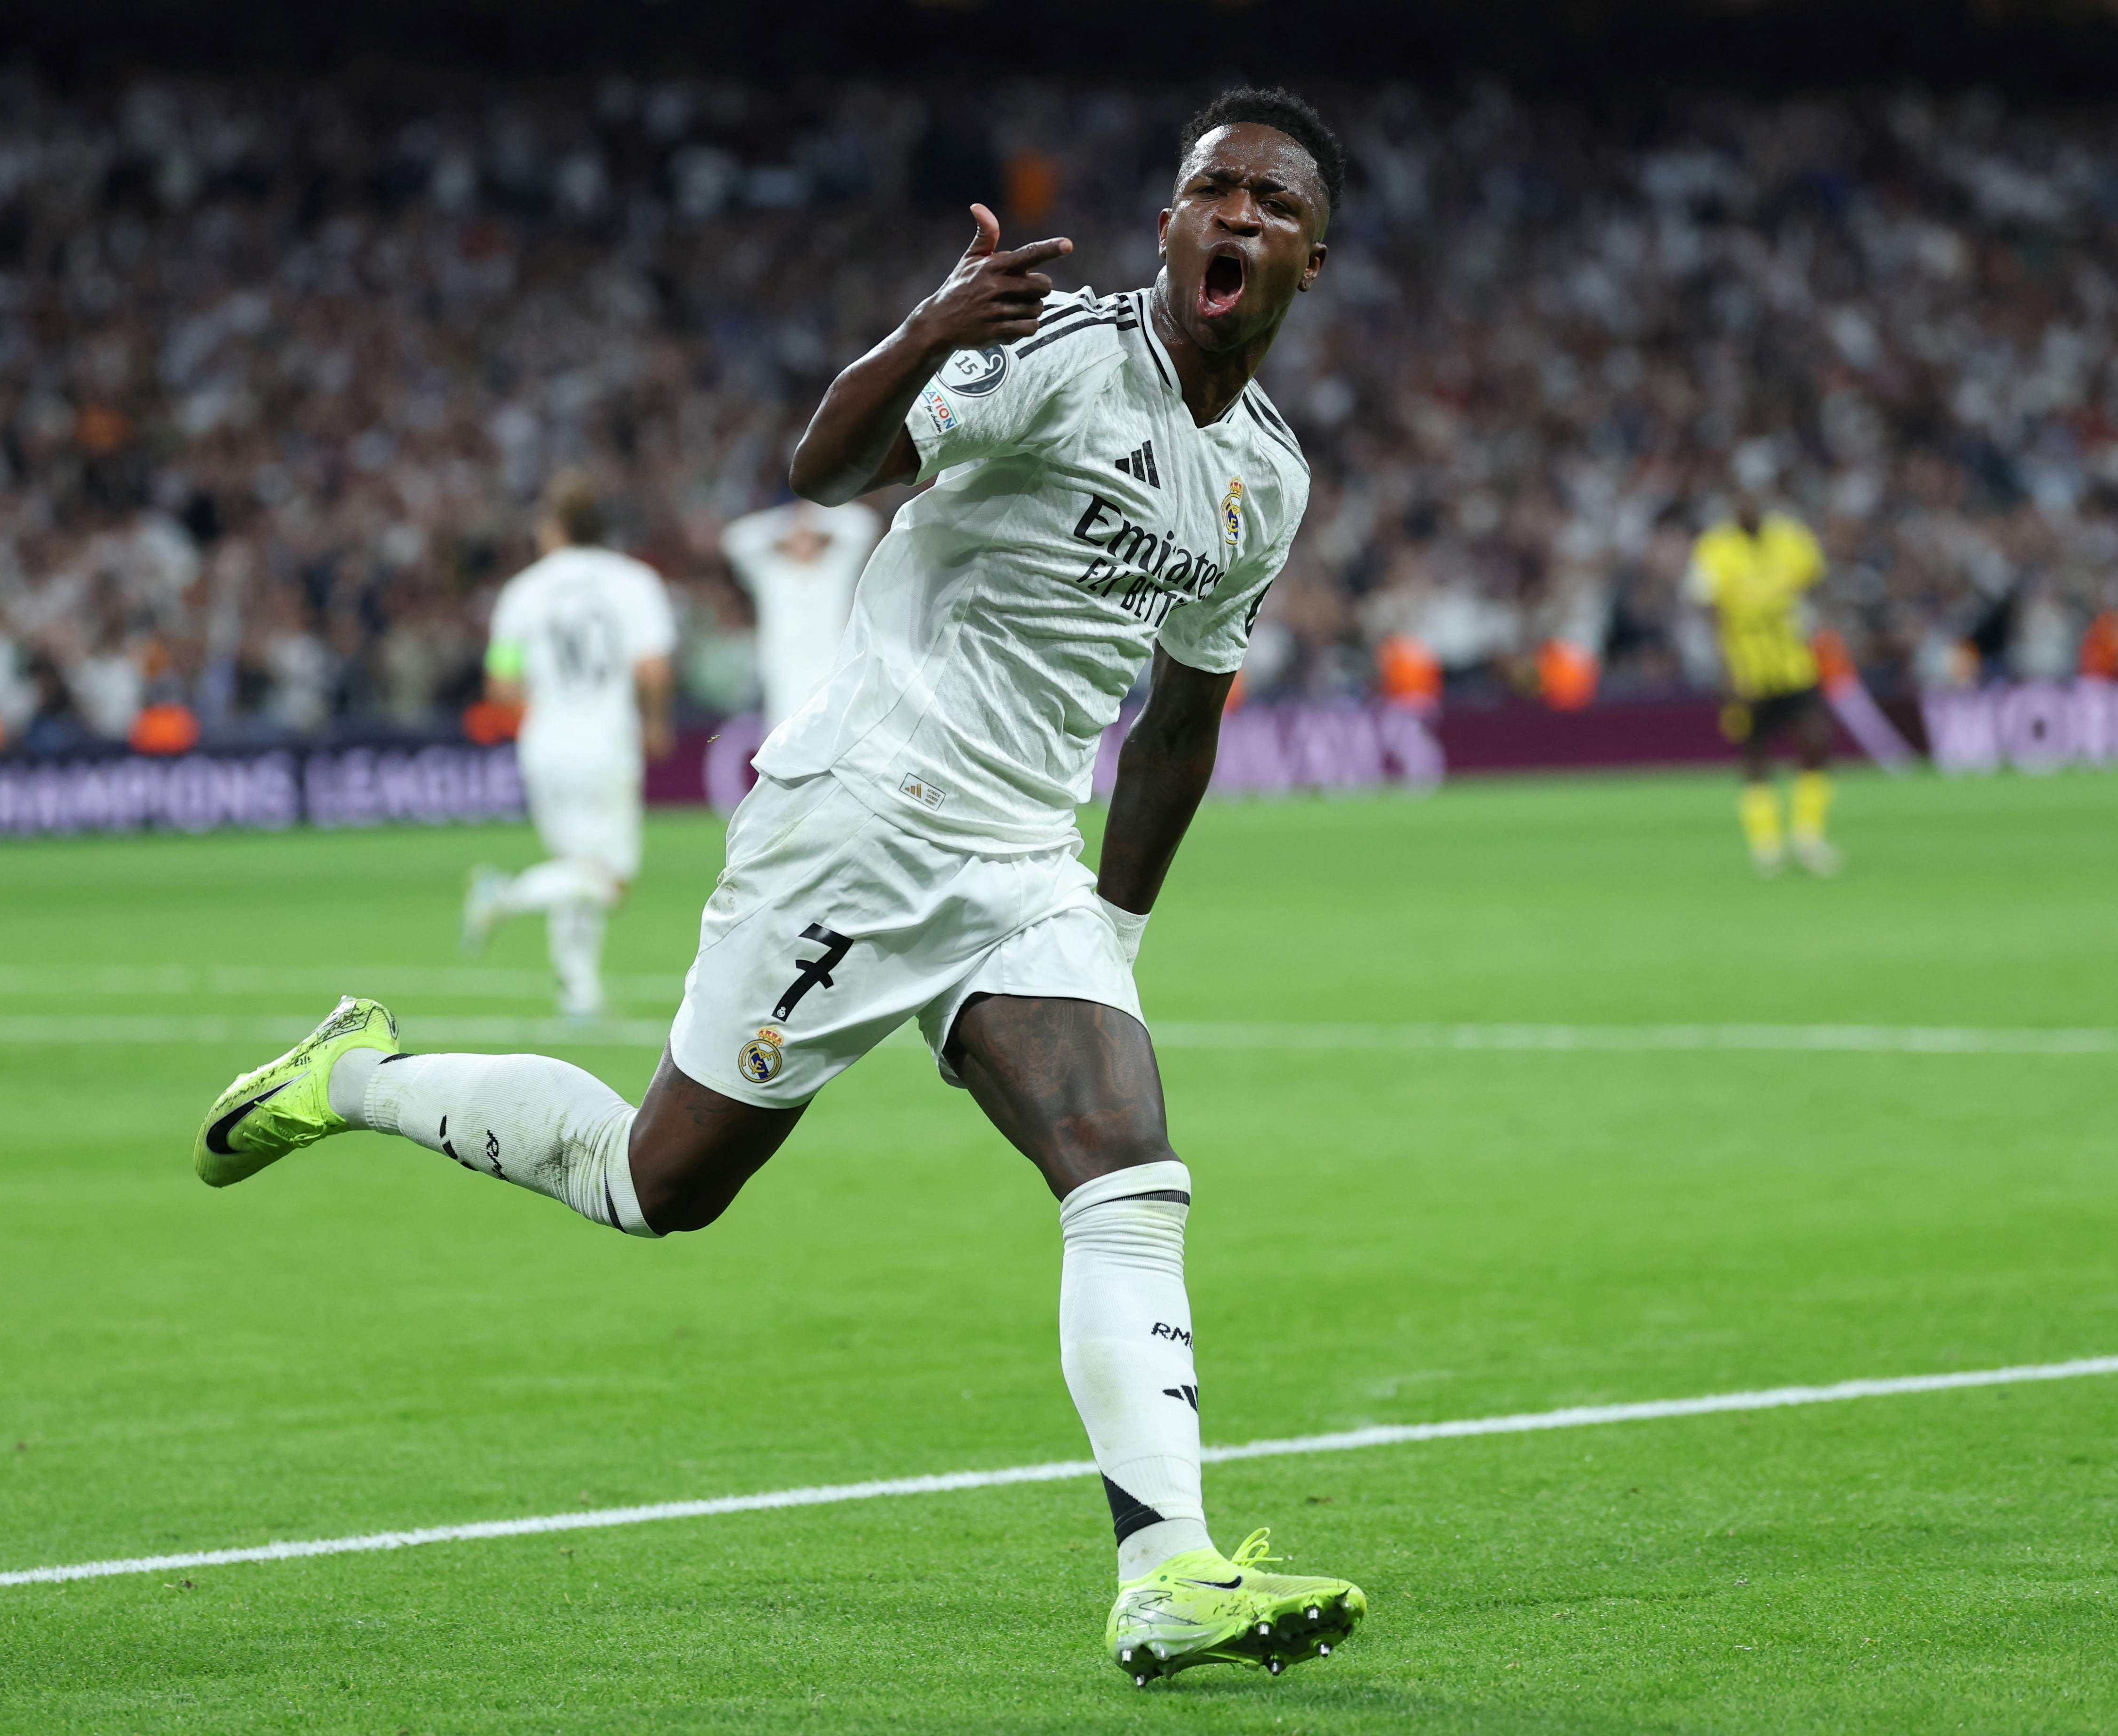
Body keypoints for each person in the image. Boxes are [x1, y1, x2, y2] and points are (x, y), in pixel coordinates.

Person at [196, 88, 1362, 1686]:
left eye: (1271, 204)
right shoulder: (1063, 356)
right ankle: (356, 1077)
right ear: (1166, 225)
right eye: (1208, 190)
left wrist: (1115, 925)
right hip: (862, 817)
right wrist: (934, 329)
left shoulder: (1267, 483)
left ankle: (1166, 1575)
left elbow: (1178, 724)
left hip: (1020, 857)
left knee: (1127, 1171)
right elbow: (827, 468)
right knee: (658, 1180)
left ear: (1315, 258)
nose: (1234, 218)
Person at [460, 472, 677, 1018]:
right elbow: (652, 667)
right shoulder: (634, 582)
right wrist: (655, 721)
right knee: (609, 880)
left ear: (554, 529)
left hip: (546, 744)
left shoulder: (522, 591)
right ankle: (501, 896)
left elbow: (501, 684)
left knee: (576, 869)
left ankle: (579, 991)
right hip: (606, 742)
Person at [1688, 458, 1838, 876]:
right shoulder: (1714, 548)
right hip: (1747, 669)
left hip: (1794, 663)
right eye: (1739, 496)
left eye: (1753, 495)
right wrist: (1726, 672)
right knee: (1755, 755)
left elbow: (1818, 586)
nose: (1747, 503)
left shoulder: (1791, 539)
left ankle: (1808, 837)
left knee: (1816, 740)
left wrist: (1824, 632)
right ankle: (1767, 845)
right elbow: (1709, 612)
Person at [719, 494, 882, 725]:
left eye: (810, 537)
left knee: (833, 739)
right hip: (784, 672)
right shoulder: (771, 573)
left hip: (833, 669)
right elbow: (735, 540)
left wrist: (815, 517)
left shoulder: (835, 568)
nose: (803, 542)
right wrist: (787, 521)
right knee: (784, 741)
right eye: (797, 537)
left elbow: (864, 526)